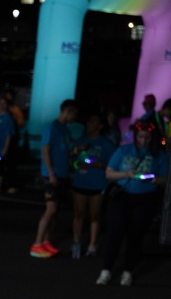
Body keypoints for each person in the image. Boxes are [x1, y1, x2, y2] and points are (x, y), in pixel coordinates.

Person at [97, 121, 168, 286]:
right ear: (135, 136)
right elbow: (109, 173)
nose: (143, 141)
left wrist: (152, 178)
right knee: (114, 233)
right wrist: (126, 174)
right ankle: (106, 269)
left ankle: (128, 270)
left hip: (145, 199)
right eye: (141, 137)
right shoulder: (123, 150)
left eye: (147, 137)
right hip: (122, 196)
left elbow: (164, 179)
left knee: (136, 235)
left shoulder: (159, 154)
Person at [30, 99, 78, 259]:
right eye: (74, 114)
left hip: (62, 174)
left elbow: (68, 151)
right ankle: (37, 244)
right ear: (68, 111)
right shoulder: (52, 127)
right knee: (50, 208)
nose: (75, 117)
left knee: (55, 211)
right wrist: (50, 173)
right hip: (51, 175)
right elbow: (45, 151)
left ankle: (46, 241)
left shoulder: (65, 129)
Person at [70, 114, 116, 259]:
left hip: (98, 184)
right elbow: (71, 160)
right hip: (80, 182)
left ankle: (92, 245)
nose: (89, 124)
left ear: (100, 126)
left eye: (93, 121)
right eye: (88, 121)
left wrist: (99, 165)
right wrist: (77, 164)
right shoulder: (80, 141)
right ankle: (76, 243)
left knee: (95, 215)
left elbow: (114, 165)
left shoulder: (107, 144)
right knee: (79, 214)